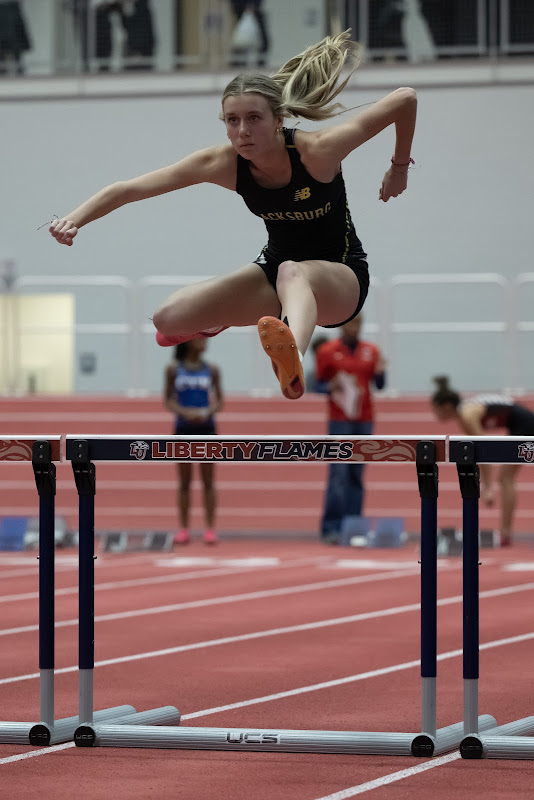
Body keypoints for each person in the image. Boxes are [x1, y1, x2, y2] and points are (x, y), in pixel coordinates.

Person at [49, 29, 416, 401]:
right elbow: (129, 188)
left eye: (254, 118)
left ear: (278, 119)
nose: (242, 131)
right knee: (168, 318)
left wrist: (398, 168)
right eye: (232, 120)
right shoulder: (222, 164)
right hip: (275, 272)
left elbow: (405, 99)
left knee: (294, 270)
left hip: (341, 278)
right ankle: (223, 322)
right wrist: (74, 219)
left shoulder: (318, 151)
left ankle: (291, 360)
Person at [431, 375, 534, 547]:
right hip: (517, 423)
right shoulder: (464, 414)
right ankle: (505, 533)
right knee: (505, 479)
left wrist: (487, 488)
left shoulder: (467, 415)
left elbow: (483, 449)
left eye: (436, 410)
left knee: (506, 479)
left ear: (447, 407)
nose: (434, 414)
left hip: (526, 424)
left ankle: (506, 534)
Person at [315, 314, 386, 542]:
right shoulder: (327, 351)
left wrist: (382, 371)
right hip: (339, 419)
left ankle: (354, 529)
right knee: (338, 474)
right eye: (350, 323)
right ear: (341, 325)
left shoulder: (371, 351)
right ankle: (332, 528)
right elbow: (316, 384)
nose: (354, 328)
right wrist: (330, 386)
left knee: (357, 474)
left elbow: (380, 385)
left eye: (358, 323)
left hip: (364, 418)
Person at [163, 340, 224, 545]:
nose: (205, 341)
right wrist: (185, 412)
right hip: (183, 429)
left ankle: (209, 529)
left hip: (207, 429)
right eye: (200, 339)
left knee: (208, 481)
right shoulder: (173, 369)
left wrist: (206, 412)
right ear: (188, 343)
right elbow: (168, 399)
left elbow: (220, 401)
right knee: (184, 482)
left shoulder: (212, 369)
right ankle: (184, 529)